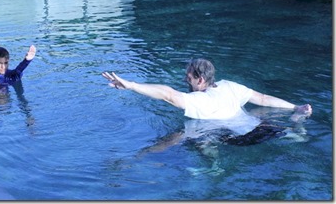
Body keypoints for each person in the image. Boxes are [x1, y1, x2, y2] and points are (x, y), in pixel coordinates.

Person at [102, 58, 312, 174]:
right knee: (293, 135)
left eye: (189, 77)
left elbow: (168, 95)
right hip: (265, 129)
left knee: (188, 137)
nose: (186, 79)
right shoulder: (230, 86)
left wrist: (131, 85)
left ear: (200, 79)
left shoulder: (200, 101)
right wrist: (295, 107)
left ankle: (214, 167)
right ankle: (298, 127)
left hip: (240, 140)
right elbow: (264, 99)